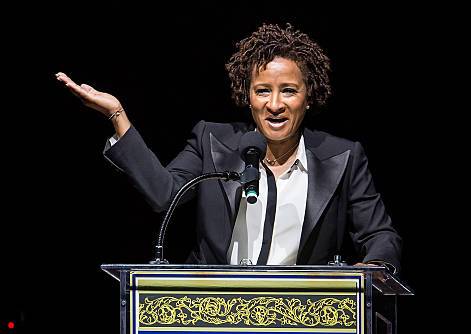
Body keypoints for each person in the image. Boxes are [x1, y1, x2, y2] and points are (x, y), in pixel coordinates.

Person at [56, 23, 401, 272]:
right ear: (247, 96)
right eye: (263, 91)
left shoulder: (341, 157)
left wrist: (374, 268)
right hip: (215, 316)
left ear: (308, 97)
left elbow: (380, 234)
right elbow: (164, 194)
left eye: (289, 91)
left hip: (299, 327)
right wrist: (118, 116)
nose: (275, 104)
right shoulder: (213, 142)